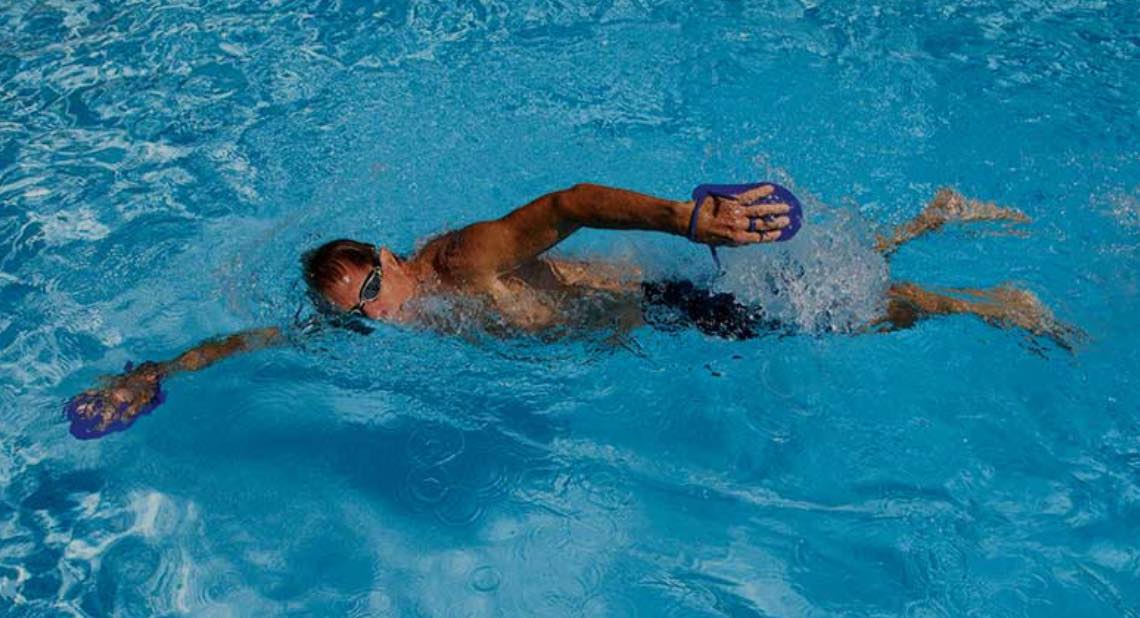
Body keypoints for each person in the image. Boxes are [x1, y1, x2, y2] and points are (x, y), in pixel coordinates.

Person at [66, 183, 1075, 438]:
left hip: (663, 295)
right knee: (821, 286)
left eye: (373, 286)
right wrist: (154, 372)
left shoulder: (460, 260)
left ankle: (991, 303)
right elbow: (256, 340)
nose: (374, 312)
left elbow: (570, 204)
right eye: (358, 309)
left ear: (389, 259)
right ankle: (934, 216)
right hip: (646, 325)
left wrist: (689, 219)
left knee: (837, 311)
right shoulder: (376, 317)